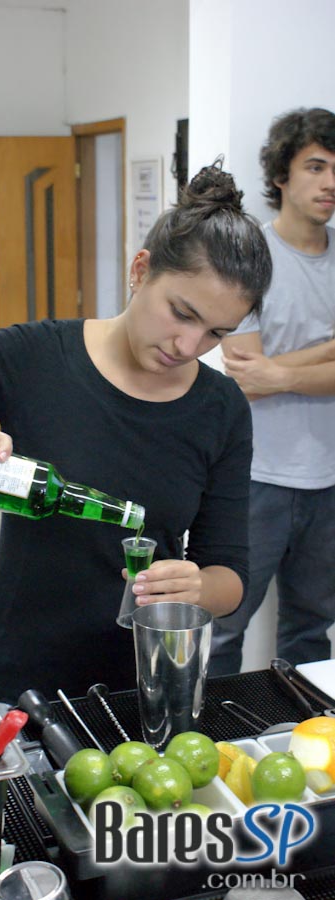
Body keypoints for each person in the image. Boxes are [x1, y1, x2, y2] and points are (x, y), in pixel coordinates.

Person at [0, 162, 272, 704]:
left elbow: (230, 573)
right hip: (23, 676)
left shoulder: (220, 408)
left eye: (215, 333)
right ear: (140, 271)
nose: (188, 346)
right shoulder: (32, 356)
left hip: (145, 680)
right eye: (181, 313)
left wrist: (199, 588)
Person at [210, 107, 335, 676]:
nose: (330, 183)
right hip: (255, 477)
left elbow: (265, 374)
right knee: (222, 626)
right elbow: (246, 380)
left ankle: (309, 729)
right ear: (282, 175)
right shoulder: (250, 258)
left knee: (312, 628)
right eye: (316, 166)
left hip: (328, 483)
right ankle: (210, 726)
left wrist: (280, 373)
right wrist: (323, 354)